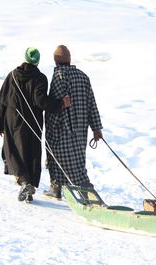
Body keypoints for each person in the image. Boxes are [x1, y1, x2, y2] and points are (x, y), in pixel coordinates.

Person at [0, 47, 70, 202]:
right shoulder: (40, 78)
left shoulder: (12, 75)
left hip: (13, 121)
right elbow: (41, 101)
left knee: (14, 152)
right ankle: (30, 187)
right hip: (32, 123)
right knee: (32, 154)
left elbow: (1, 100)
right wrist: (61, 103)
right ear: (37, 61)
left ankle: (24, 182)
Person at [44, 45, 103, 200]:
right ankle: (80, 190)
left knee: (57, 158)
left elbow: (56, 106)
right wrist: (96, 128)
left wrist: (51, 127)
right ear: (69, 59)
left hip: (62, 129)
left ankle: (59, 188)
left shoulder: (59, 76)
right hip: (81, 130)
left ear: (56, 61)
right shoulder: (83, 76)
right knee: (78, 161)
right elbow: (92, 104)